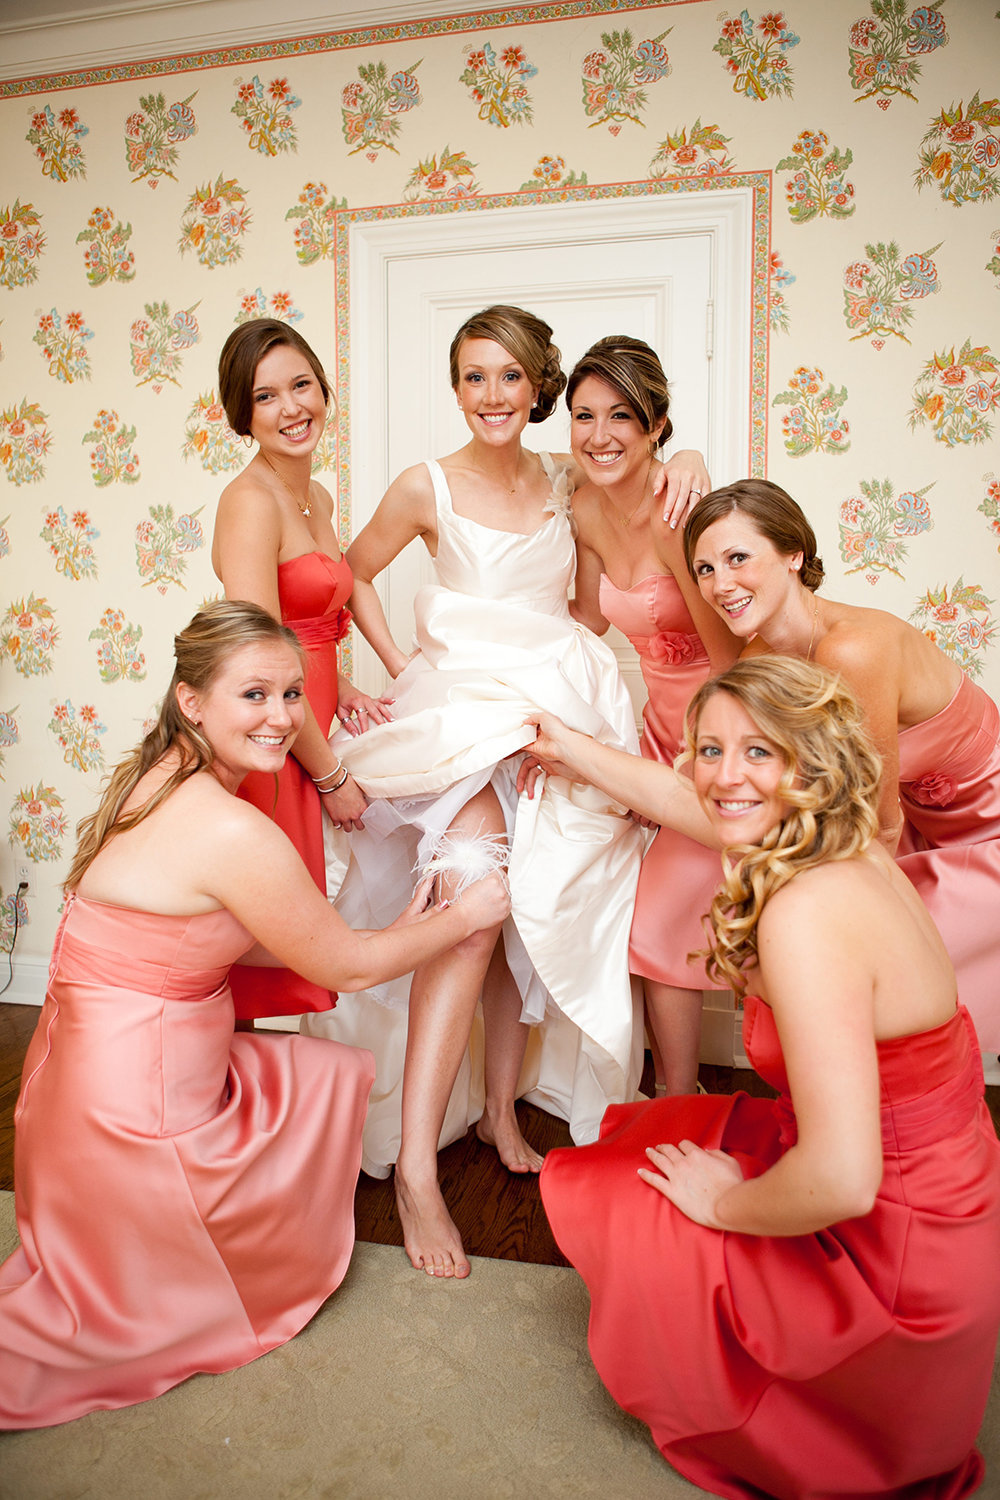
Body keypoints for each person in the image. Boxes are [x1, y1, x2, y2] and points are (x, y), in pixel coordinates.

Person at [0, 601, 508, 1428]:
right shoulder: (230, 828)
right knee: (305, 1123)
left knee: (309, 1078)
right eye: (253, 696)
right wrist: (463, 914)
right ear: (193, 699)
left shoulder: (158, 772)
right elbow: (340, 965)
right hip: (136, 1121)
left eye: (291, 694)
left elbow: (229, 931)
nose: (280, 718)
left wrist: (375, 933)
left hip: (74, 1097)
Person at [304, 305, 707, 1279]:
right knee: (473, 899)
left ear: (540, 389)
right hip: (455, 711)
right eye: (474, 376)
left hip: (548, 710)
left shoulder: (569, 479)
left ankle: (494, 1108)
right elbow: (341, 578)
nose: (492, 395)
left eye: (512, 377)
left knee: (530, 902)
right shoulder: (423, 485)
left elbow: (619, 511)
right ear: (456, 388)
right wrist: (396, 664)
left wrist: (684, 453)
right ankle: (416, 1180)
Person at [536, 657, 1000, 1499]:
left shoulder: (808, 914)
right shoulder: (845, 845)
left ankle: (805, 1410)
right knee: (656, 1131)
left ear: (811, 762)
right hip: (949, 1198)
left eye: (758, 752)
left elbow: (843, 1180)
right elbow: (690, 802)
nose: (722, 777)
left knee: (633, 1194)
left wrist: (725, 1205)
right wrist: (567, 745)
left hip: (894, 1260)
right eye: (707, 750)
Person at [683, 477, 1000, 1050]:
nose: (720, 584)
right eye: (704, 569)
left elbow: (877, 822)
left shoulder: (854, 649)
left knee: (868, 960)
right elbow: (774, 789)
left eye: (737, 558)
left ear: (793, 555)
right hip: (911, 823)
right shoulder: (759, 658)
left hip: (985, 826)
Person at [566, 335, 737, 1096]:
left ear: (656, 425)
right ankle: (669, 1091)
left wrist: (700, 761)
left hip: (716, 730)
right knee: (600, 885)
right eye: (582, 416)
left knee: (665, 912)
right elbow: (586, 619)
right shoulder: (583, 505)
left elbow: (733, 662)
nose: (600, 435)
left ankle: (678, 1098)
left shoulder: (680, 513)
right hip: (654, 730)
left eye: (622, 417)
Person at [213, 318, 393, 1023]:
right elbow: (256, 658)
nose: (292, 408)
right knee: (253, 940)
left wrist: (339, 683)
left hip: (306, 722)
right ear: (242, 414)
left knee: (287, 926)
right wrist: (331, 775)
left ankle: (265, 1111)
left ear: (324, 390)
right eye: (266, 397)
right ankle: (224, 1117)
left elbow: (301, 623)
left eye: (302, 386)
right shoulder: (250, 502)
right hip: (272, 741)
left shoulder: (313, 495)